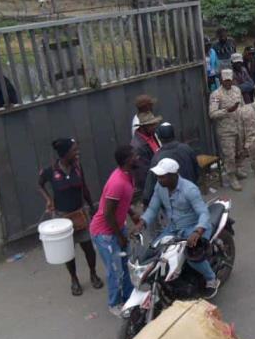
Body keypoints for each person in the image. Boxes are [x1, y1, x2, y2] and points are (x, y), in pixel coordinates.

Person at [137, 158, 219, 298]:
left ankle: (211, 279)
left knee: (192, 256)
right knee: (154, 251)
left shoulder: (189, 189)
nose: (159, 179)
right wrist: (142, 222)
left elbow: (203, 213)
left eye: (162, 176)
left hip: (194, 228)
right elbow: (152, 208)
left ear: (173, 175)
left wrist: (197, 231)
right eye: (158, 176)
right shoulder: (160, 187)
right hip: (173, 228)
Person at [37, 138, 101, 297]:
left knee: (88, 248)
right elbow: (39, 184)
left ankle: (93, 273)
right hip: (62, 218)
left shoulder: (78, 167)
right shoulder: (50, 171)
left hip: (80, 214)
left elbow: (84, 187)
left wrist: (92, 208)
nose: (77, 152)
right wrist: (48, 199)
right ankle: (74, 279)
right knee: (67, 251)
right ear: (65, 154)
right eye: (74, 150)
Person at [89, 145, 139, 316]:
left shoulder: (128, 176)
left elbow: (124, 201)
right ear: (127, 160)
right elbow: (109, 214)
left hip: (117, 227)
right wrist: (120, 237)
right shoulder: (117, 182)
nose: (138, 157)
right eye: (135, 156)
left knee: (126, 265)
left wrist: (132, 213)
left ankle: (128, 296)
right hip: (106, 233)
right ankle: (115, 304)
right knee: (115, 270)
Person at [142, 122, 201, 204]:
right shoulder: (187, 148)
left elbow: (150, 185)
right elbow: (197, 171)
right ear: (174, 134)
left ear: (159, 137)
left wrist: (146, 202)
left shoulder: (157, 157)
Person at [209, 69, 248, 191]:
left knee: (240, 151)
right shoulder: (216, 95)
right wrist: (227, 110)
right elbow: (212, 114)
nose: (228, 83)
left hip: (239, 127)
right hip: (226, 130)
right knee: (229, 155)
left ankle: (238, 169)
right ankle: (232, 176)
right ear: (221, 80)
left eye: (230, 81)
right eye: (225, 81)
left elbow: (243, 105)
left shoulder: (237, 90)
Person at [131, 111, 162, 192]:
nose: (155, 126)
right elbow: (143, 175)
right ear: (142, 127)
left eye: (154, 124)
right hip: (153, 187)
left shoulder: (152, 135)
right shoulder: (138, 147)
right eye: (151, 125)